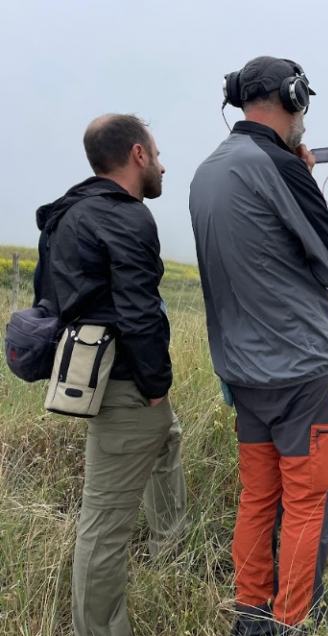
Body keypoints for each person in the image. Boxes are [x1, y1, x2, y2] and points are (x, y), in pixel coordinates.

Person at [189, 56, 328, 635]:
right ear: (293, 95)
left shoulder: (207, 169)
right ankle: (291, 621)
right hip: (300, 370)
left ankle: (251, 613)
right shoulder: (280, 166)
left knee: (258, 497)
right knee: (309, 499)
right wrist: (308, 179)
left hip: (242, 370)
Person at [33, 113, 186, 635]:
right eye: (157, 153)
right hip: (125, 386)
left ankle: (172, 546)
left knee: (169, 441)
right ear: (137, 155)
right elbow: (140, 314)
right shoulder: (126, 217)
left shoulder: (68, 212)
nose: (163, 165)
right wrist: (155, 386)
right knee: (104, 526)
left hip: (96, 374)